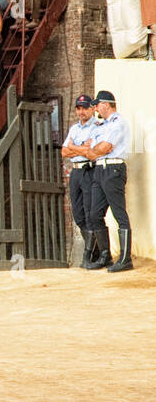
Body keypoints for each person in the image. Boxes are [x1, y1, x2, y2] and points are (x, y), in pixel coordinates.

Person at [83, 89, 133, 271]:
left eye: (97, 104)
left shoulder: (117, 123)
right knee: (95, 214)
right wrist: (94, 149)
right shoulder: (102, 125)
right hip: (100, 168)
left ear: (106, 104)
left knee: (119, 213)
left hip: (113, 168)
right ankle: (106, 255)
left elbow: (103, 147)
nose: (96, 108)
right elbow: (89, 148)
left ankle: (126, 259)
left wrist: (94, 149)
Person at [61, 93, 102, 268]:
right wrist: (80, 148)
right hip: (75, 172)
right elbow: (64, 152)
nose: (81, 111)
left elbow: (90, 151)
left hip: (88, 169)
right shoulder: (74, 128)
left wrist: (73, 147)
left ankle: (90, 255)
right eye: (78, 108)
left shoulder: (97, 126)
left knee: (89, 212)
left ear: (92, 109)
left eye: (84, 108)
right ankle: (95, 250)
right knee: (78, 215)